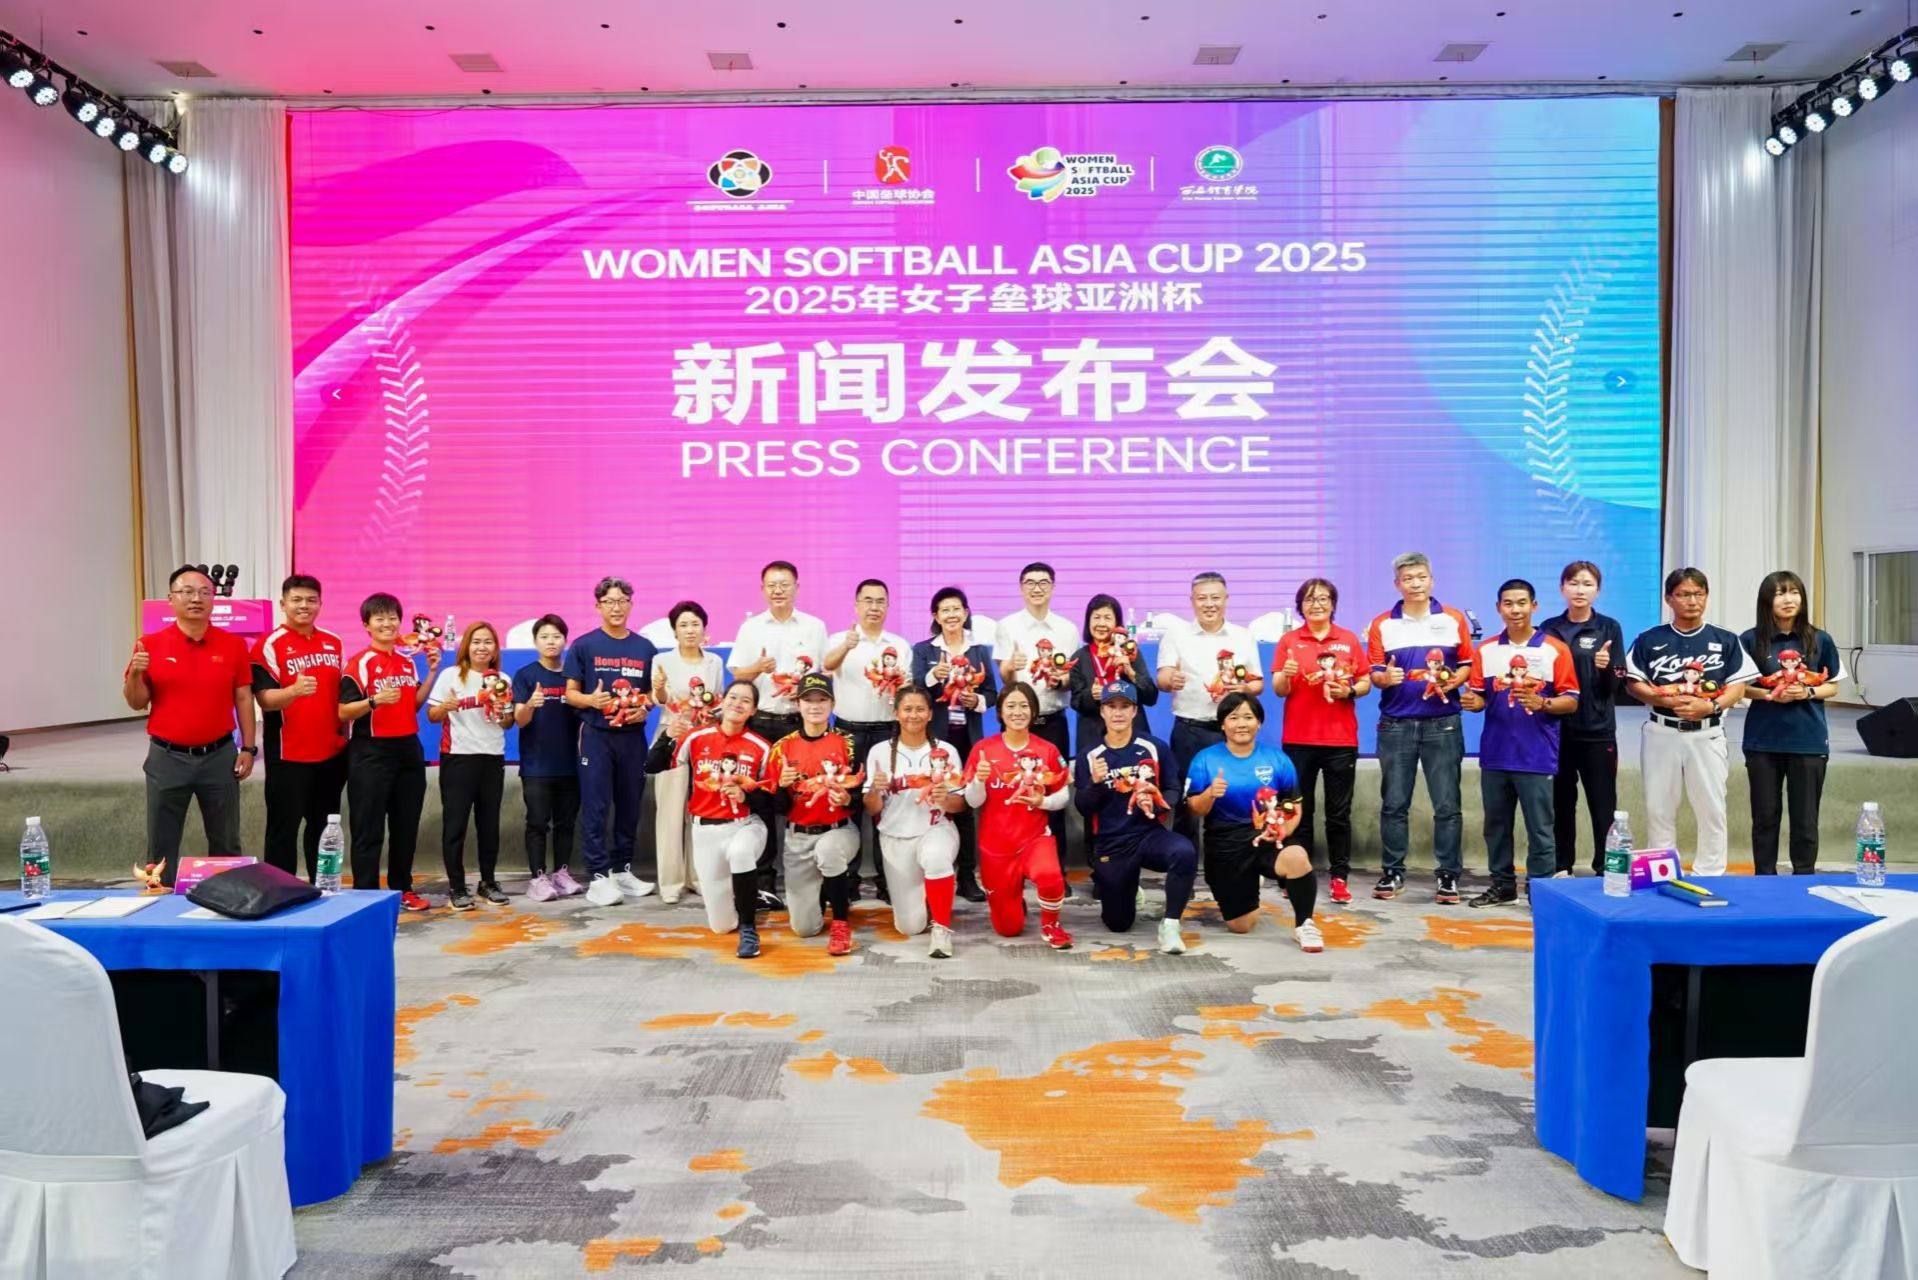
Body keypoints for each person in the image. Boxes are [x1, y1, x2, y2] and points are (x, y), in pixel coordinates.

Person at [124, 565, 259, 887]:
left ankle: (227, 896)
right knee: (161, 839)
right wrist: (135, 674)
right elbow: (136, 702)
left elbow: (243, 698)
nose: (196, 599)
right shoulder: (149, 644)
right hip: (167, 757)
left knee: (226, 838)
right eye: (187, 592)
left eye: (204, 592)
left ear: (214, 599)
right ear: (171, 599)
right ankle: (160, 897)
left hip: (219, 755)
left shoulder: (233, 645)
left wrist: (249, 748)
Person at [1624, 568, 1758, 877]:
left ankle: (1710, 872)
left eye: (1699, 594)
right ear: (1668, 598)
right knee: (1659, 807)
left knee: (1711, 806)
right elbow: (1634, 683)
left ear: (1707, 597)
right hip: (1662, 730)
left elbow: (1738, 687)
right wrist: (1665, 700)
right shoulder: (1649, 639)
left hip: (1707, 733)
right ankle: (1661, 872)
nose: (1692, 601)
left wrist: (1710, 705)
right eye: (1684, 594)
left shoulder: (1725, 639)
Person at [1458, 581, 1581, 907]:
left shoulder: (1555, 649)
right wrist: (1473, 703)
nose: (1515, 609)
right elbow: (1480, 698)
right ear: (1499, 608)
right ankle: (1502, 886)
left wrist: (1544, 703)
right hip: (1495, 754)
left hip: (1537, 755)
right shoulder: (1486, 651)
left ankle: (1540, 891)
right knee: (1496, 827)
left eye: (1522, 603)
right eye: (1509, 603)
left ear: (1534, 606)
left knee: (1540, 829)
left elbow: (1571, 700)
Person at [1366, 552, 1474, 902]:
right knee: (1394, 804)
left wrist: (1454, 680)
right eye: (1408, 578)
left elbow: (1467, 665)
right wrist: (1385, 678)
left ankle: (1448, 876)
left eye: (1421, 577)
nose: (1415, 584)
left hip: (1443, 725)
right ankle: (1392, 872)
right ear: (1397, 584)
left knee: (1447, 805)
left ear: (1432, 580)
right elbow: (1375, 674)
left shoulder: (1453, 618)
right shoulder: (1382, 624)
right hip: (1396, 724)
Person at [1181, 693, 1322, 951]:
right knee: (1241, 925)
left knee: (1297, 856)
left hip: (1267, 836)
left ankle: (1305, 924)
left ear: (1259, 723)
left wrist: (1281, 832)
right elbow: (1194, 809)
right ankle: (1250, 879)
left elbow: (1294, 806)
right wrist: (1210, 793)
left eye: (1248, 717)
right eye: (1233, 718)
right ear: (1222, 724)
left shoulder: (1278, 759)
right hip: (1225, 843)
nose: (1241, 724)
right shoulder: (1204, 759)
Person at [645, 680, 775, 958]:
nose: (737, 704)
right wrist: (667, 735)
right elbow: (652, 765)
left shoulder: (761, 747)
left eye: (746, 701)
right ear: (722, 701)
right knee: (721, 926)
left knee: (741, 853)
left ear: (754, 710)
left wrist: (746, 796)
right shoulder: (697, 737)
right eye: (733, 697)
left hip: (745, 826)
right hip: (705, 831)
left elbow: (773, 800)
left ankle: (749, 929)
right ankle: (750, 896)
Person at [730, 560, 829, 912]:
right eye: (771, 584)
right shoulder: (751, 627)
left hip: (798, 724)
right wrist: (758, 668)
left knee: (803, 794)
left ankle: (810, 874)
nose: (778, 590)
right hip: (761, 723)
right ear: (762, 589)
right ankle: (764, 880)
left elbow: (822, 674)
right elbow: (738, 674)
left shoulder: (815, 627)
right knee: (761, 798)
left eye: (784, 584)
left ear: (797, 587)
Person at [1268, 578, 1371, 904]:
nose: (1317, 604)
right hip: (1299, 739)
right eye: (1310, 599)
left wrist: (1349, 691)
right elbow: (1279, 690)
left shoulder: (1348, 639)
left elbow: (1365, 681)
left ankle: (1339, 876)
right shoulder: (1289, 640)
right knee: (1300, 812)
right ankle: (1297, 872)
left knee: (1338, 814)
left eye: (1324, 598)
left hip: (1341, 740)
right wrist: (1286, 674)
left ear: (1333, 604)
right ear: (1300, 606)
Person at [1073, 680, 1196, 954]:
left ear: (1135, 711)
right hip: (1112, 842)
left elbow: (1173, 789)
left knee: (1184, 852)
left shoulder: (1154, 747)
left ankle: (1171, 925)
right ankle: (1129, 887)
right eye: (1111, 706)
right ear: (1102, 711)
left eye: (1124, 706)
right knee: (1118, 924)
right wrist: (1095, 783)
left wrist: (1157, 802)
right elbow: (1083, 807)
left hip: (1148, 835)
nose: (1118, 713)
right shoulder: (1089, 756)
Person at [337, 591, 440, 911]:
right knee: (367, 828)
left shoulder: (407, 662)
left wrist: (432, 673)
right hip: (371, 751)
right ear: (366, 625)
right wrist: (374, 701)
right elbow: (342, 711)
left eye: (393, 618)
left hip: (408, 749)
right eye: (379, 618)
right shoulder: (359, 663)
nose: (387, 623)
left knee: (405, 826)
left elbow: (414, 705)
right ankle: (365, 896)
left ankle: (402, 888)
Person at [1739, 570, 1846, 875]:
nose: (1788, 600)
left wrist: (1807, 692)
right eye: (1780, 594)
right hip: (1762, 741)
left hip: (1808, 740)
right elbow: (1738, 687)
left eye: (1794, 592)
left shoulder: (1820, 639)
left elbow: (1832, 687)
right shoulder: (1750, 639)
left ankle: (1803, 878)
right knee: (1764, 818)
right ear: (1766, 601)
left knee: (1805, 820)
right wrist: (1769, 694)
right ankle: (1764, 879)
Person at [564, 576, 658, 907]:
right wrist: (592, 701)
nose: (616, 607)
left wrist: (645, 708)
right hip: (596, 737)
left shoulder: (645, 648)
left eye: (622, 601)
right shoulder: (584, 645)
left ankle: (622, 870)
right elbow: (570, 693)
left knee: (630, 805)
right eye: (609, 602)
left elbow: (653, 692)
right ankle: (599, 876)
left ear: (631, 605)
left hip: (632, 738)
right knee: (596, 806)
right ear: (598, 606)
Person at [1154, 572, 1263, 851]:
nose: (1209, 604)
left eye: (1215, 597)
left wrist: (1245, 687)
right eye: (1202, 598)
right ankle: (1185, 865)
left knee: (1232, 796)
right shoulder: (1176, 635)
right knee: (1187, 801)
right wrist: (1170, 680)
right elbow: (1163, 677)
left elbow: (1258, 683)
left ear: (1226, 599)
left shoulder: (1242, 636)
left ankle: (1230, 860)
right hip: (1189, 730)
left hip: (1232, 733)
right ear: (1192, 601)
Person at [963, 681, 1074, 949]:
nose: (1017, 712)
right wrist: (979, 781)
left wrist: (1043, 801)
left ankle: (1051, 925)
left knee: (1050, 876)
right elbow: (973, 801)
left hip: (1034, 839)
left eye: (1024, 706)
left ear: (1033, 711)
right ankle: (1013, 899)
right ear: (1000, 712)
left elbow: (1063, 796)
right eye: (1010, 706)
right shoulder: (983, 750)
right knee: (1009, 929)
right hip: (997, 847)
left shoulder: (1047, 750)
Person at [822, 578, 914, 902]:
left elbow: (907, 690)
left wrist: (900, 684)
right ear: (856, 605)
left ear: (887, 606)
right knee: (847, 802)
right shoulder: (840, 639)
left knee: (885, 804)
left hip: (887, 731)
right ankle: (848, 879)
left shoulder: (899, 645)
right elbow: (826, 666)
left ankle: (887, 879)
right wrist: (847, 647)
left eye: (880, 601)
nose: (874, 607)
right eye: (868, 601)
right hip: (848, 731)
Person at [250, 574, 345, 881]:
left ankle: (324, 887)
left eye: (311, 600)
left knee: (324, 829)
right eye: (297, 600)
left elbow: (342, 697)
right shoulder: (268, 645)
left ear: (320, 604)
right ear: (283, 604)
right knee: (283, 829)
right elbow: (264, 699)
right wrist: (293, 692)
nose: (304, 606)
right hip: (288, 755)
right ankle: (281, 890)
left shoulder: (334, 642)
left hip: (330, 754)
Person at [865, 685, 969, 957]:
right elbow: (872, 808)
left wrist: (945, 799)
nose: (914, 715)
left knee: (936, 858)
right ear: (896, 713)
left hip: (935, 829)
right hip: (895, 837)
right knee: (910, 926)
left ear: (930, 714)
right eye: (907, 709)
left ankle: (941, 929)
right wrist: (875, 789)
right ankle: (931, 891)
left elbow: (961, 804)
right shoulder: (879, 751)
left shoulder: (946, 750)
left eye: (920, 709)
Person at [1540, 561, 1627, 875]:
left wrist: (1606, 667)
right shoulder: (1548, 629)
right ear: (1562, 588)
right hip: (1557, 731)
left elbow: (1617, 684)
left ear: (1597, 591)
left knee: (1603, 805)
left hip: (1597, 732)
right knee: (1560, 804)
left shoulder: (1609, 628)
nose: (1580, 590)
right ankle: (1562, 864)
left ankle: (1606, 867)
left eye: (1587, 584)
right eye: (1574, 583)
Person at [766, 673, 863, 955]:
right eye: (808, 700)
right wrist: (781, 786)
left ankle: (841, 924)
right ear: (798, 704)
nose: (815, 706)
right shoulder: (782, 748)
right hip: (798, 838)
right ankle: (821, 891)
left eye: (822, 700)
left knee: (828, 852)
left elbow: (861, 795)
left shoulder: (848, 742)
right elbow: (778, 808)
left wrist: (847, 798)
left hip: (838, 830)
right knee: (804, 929)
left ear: (833, 704)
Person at [910, 585, 995, 902]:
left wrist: (977, 701)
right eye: (944, 610)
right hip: (937, 739)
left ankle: (967, 877)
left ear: (966, 613)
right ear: (935, 616)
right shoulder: (924, 650)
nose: (951, 615)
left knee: (966, 805)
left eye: (956, 608)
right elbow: (916, 690)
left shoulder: (979, 651)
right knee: (934, 801)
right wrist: (935, 676)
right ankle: (930, 870)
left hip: (967, 738)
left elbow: (992, 693)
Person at [428, 621, 515, 909]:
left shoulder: (502, 678)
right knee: (455, 826)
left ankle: (488, 882)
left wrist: (503, 711)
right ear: (467, 645)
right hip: (458, 758)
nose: (482, 647)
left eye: (488, 642)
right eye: (476, 641)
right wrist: (446, 707)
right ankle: (456, 886)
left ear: (495, 648)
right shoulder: (451, 675)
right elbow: (432, 715)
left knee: (489, 825)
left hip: (492, 758)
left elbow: (508, 723)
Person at [650, 600, 726, 905]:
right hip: (673, 736)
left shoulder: (714, 662)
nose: (690, 630)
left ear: (704, 629)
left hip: (705, 742)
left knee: (701, 811)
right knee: (670, 812)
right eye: (683, 625)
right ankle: (671, 882)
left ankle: (699, 877)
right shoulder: (662, 660)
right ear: (674, 630)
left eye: (695, 624)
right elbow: (660, 699)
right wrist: (658, 689)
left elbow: (716, 701)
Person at [514, 614, 583, 901]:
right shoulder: (526, 675)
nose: (551, 641)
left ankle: (562, 873)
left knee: (566, 823)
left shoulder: (574, 677)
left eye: (556, 636)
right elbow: (519, 720)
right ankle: (538, 877)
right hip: (537, 765)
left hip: (570, 764)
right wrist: (530, 704)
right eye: (544, 637)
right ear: (535, 642)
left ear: (565, 640)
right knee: (537, 822)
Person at [1067, 592, 1159, 750]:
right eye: (1096, 617)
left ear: (1117, 623)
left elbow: (1151, 697)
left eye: (1107, 618)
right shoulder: (1079, 657)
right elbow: (1076, 702)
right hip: (1093, 739)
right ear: (1088, 622)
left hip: (1132, 737)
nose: (1101, 623)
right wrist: (1091, 695)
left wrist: (1131, 673)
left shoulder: (1131, 654)